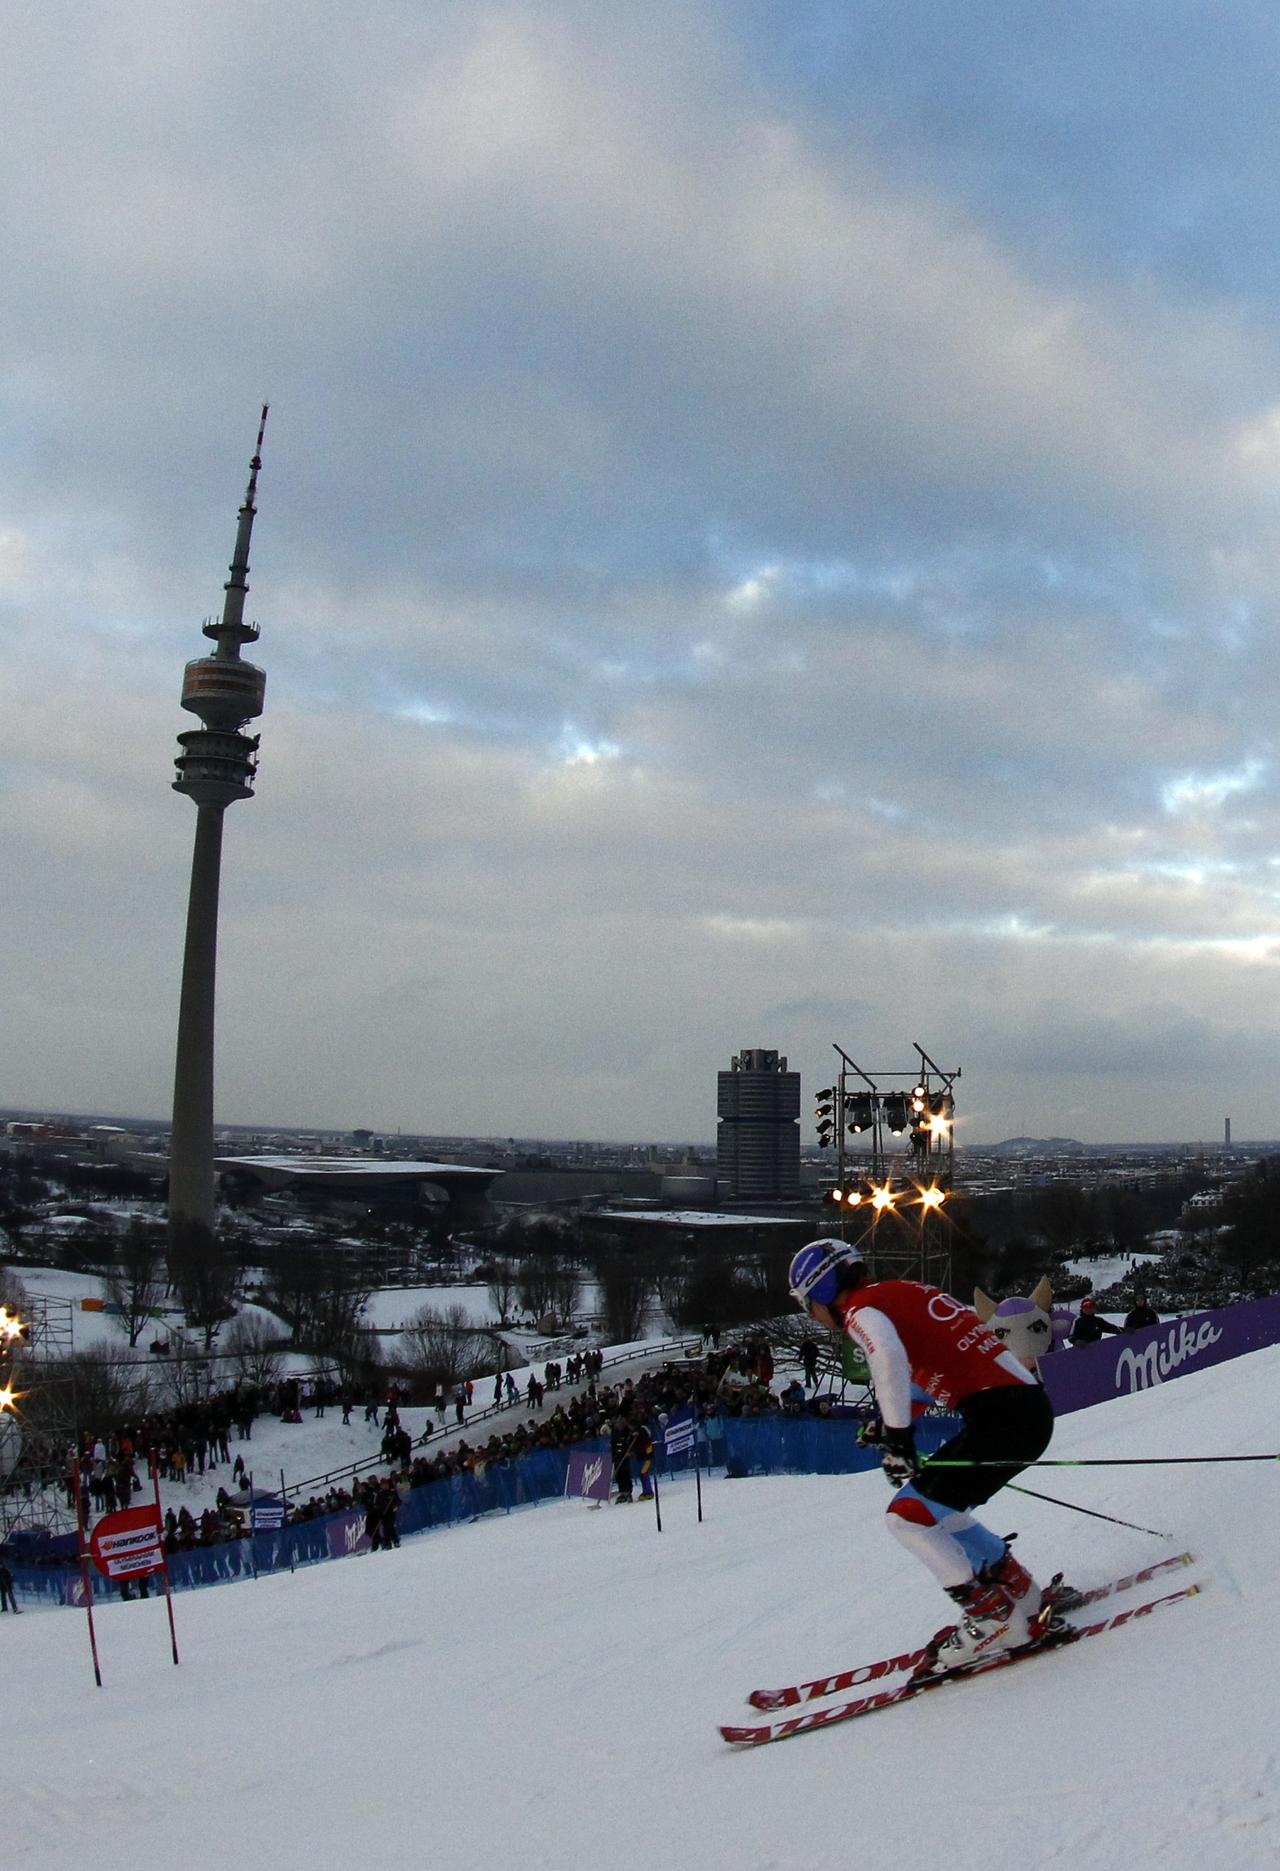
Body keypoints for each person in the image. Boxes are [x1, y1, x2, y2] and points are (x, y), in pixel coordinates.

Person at [787, 1240, 1055, 1676]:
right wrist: (890, 1422)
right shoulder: (902, 1293)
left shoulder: (862, 1310)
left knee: (905, 1518)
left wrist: (898, 1438)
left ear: (821, 1293)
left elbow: (889, 1359)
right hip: (1021, 1412)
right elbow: (931, 1372)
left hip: (1002, 1418)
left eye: (807, 1306)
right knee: (935, 1508)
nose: (813, 1318)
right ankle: (1020, 1594)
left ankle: (992, 1619)